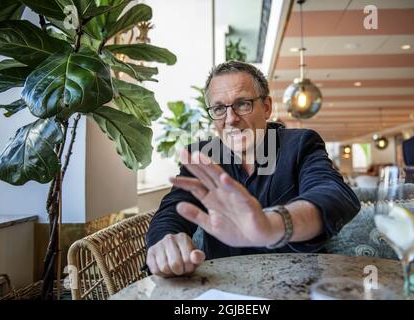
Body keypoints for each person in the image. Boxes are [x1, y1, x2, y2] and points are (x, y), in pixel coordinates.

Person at [145, 61, 360, 277]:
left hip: (299, 282)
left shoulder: (300, 144)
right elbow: (172, 211)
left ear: (266, 107)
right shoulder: (203, 157)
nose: (231, 119)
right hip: (224, 287)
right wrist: (166, 242)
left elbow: (334, 194)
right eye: (219, 108)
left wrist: (272, 225)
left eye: (243, 104)